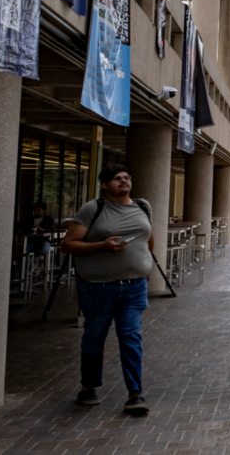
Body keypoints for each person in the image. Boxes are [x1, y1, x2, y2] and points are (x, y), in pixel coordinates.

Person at [60, 164, 155, 415]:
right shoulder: (93, 208)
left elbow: (148, 237)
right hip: (97, 287)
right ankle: (88, 386)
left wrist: (145, 267)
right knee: (94, 337)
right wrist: (101, 245)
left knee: (130, 337)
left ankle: (135, 393)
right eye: (116, 179)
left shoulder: (143, 206)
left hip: (134, 287)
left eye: (126, 177)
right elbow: (68, 244)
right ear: (105, 184)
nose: (124, 182)